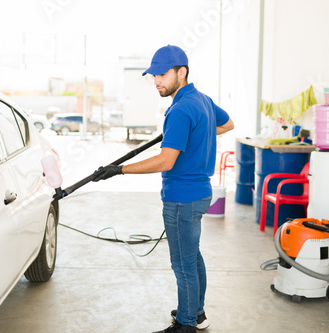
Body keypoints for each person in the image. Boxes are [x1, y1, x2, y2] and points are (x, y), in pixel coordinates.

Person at [92, 44, 234, 333]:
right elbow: (228, 124)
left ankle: (185, 325)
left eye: (162, 74)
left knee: (183, 264)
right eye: (153, 75)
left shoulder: (181, 109)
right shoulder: (202, 100)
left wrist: (119, 169)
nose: (156, 80)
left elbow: (166, 160)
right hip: (200, 193)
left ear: (182, 72)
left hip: (182, 198)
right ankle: (197, 313)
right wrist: (199, 132)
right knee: (192, 257)